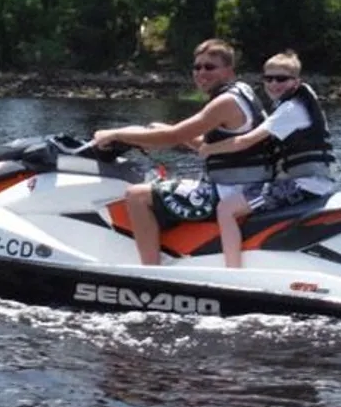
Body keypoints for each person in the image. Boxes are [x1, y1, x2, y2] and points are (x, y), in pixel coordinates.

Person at [92, 38, 272, 265]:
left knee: (136, 196)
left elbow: (172, 137)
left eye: (210, 67)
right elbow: (212, 148)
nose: (201, 73)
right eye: (197, 67)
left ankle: (150, 272)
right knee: (162, 184)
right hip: (246, 185)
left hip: (231, 190)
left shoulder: (225, 102)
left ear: (229, 70)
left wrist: (115, 134)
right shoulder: (243, 91)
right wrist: (167, 130)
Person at [198, 50, 336, 268]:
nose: (273, 84)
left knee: (226, 209)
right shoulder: (294, 103)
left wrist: (209, 148)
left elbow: (245, 141)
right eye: (268, 78)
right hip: (310, 182)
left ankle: (232, 273)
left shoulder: (291, 109)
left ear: (296, 81)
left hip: (305, 185)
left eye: (281, 79)